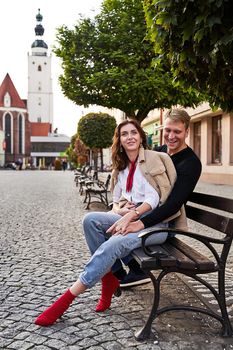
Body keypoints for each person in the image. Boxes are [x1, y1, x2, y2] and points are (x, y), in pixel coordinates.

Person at [34, 119, 182, 327]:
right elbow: (116, 201)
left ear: (141, 137)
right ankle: (109, 277)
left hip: (156, 224)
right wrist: (120, 210)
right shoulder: (121, 167)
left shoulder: (153, 159)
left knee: (115, 242)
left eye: (133, 133)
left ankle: (65, 301)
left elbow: (155, 198)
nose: (129, 137)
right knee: (90, 220)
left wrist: (131, 216)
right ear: (119, 140)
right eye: (124, 134)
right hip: (131, 215)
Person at [107, 108, 202, 287]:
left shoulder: (191, 163)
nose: (171, 136)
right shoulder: (157, 152)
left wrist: (138, 222)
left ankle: (132, 270)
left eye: (177, 131)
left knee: (114, 234)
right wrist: (129, 203)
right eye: (168, 130)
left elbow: (173, 205)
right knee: (100, 225)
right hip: (145, 212)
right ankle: (125, 271)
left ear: (187, 132)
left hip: (166, 222)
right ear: (162, 130)